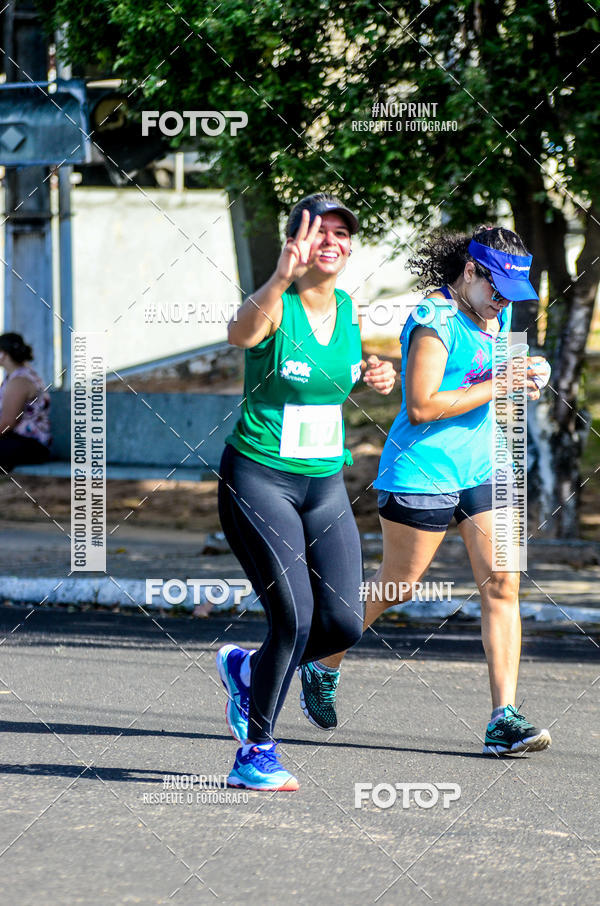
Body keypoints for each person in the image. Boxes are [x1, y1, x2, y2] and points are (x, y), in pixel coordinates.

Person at [300, 225, 553, 757]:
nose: (504, 303)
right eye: (497, 289)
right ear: (470, 271)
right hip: (423, 472)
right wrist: (501, 382)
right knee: (398, 587)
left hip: (486, 468)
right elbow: (422, 406)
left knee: (503, 586)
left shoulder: (494, 310)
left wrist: (525, 375)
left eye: (512, 293)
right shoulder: (432, 320)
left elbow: (494, 377)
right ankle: (320, 660)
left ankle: (503, 719)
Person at [216, 193, 396, 791]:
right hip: (259, 476)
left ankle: (247, 668)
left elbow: (337, 378)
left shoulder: (348, 310)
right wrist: (278, 277)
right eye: (321, 230)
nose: (333, 241)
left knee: (343, 623)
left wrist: (376, 377)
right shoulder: (277, 304)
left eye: (344, 233)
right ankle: (256, 752)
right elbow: (240, 334)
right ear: (296, 240)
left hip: (324, 484)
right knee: (292, 618)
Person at [0, 333, 51, 473]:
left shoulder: (19, 381)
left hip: (30, 445)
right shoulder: (20, 374)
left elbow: (8, 423)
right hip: (25, 443)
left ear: (3, 355)